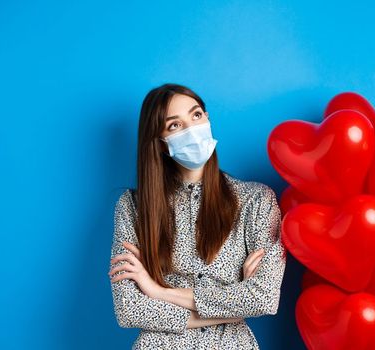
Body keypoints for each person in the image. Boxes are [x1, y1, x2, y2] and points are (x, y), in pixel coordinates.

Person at [108, 83, 286, 349]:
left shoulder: (256, 200)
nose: (191, 129)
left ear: (207, 119)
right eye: (174, 126)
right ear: (160, 144)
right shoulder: (133, 207)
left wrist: (160, 292)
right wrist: (234, 306)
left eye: (196, 115)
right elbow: (130, 309)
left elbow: (264, 298)